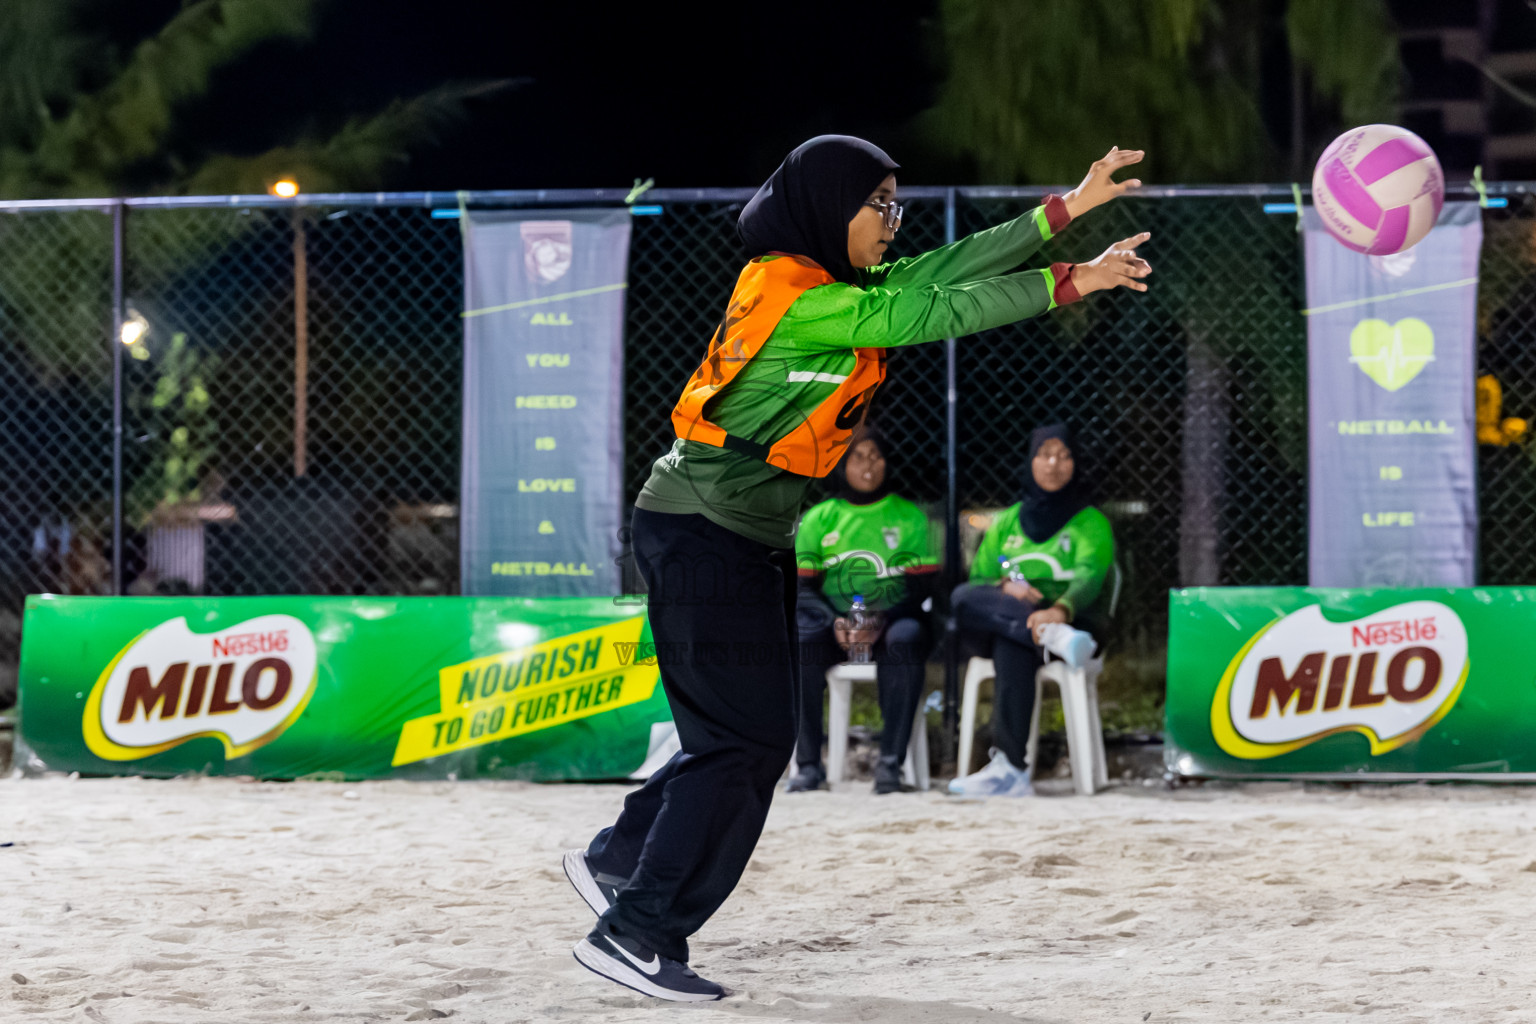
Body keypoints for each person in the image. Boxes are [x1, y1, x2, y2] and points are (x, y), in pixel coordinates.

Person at [564, 135, 1151, 1001]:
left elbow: (946, 269)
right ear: (825, 206)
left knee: (751, 737)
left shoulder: (833, 286)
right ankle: (638, 929)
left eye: (893, 204)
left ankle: (618, 860)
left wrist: (1071, 213)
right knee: (744, 742)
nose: (891, 221)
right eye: (878, 204)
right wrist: (1068, 280)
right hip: (700, 534)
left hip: (737, 535)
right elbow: (936, 312)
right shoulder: (799, 296)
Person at [948, 424, 1116, 797]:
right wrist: (1005, 588)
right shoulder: (1007, 521)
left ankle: (1011, 770)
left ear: (1076, 463)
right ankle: (1048, 638)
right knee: (963, 598)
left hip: (1077, 623)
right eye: (1045, 454)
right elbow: (980, 577)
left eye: (1064, 454)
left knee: (1012, 643)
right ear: (1031, 460)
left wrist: (1060, 610)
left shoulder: (1091, 522)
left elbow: (1090, 576)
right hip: (1029, 624)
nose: (1053, 463)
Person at [787, 425, 939, 795]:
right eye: (857, 456)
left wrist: (879, 620)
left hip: (892, 620)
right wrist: (835, 621)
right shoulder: (819, 518)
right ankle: (808, 767)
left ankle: (890, 767)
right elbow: (802, 588)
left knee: (906, 639)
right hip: (834, 622)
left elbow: (923, 589)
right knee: (801, 644)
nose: (868, 465)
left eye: (876, 456)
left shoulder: (910, 518)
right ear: (841, 462)